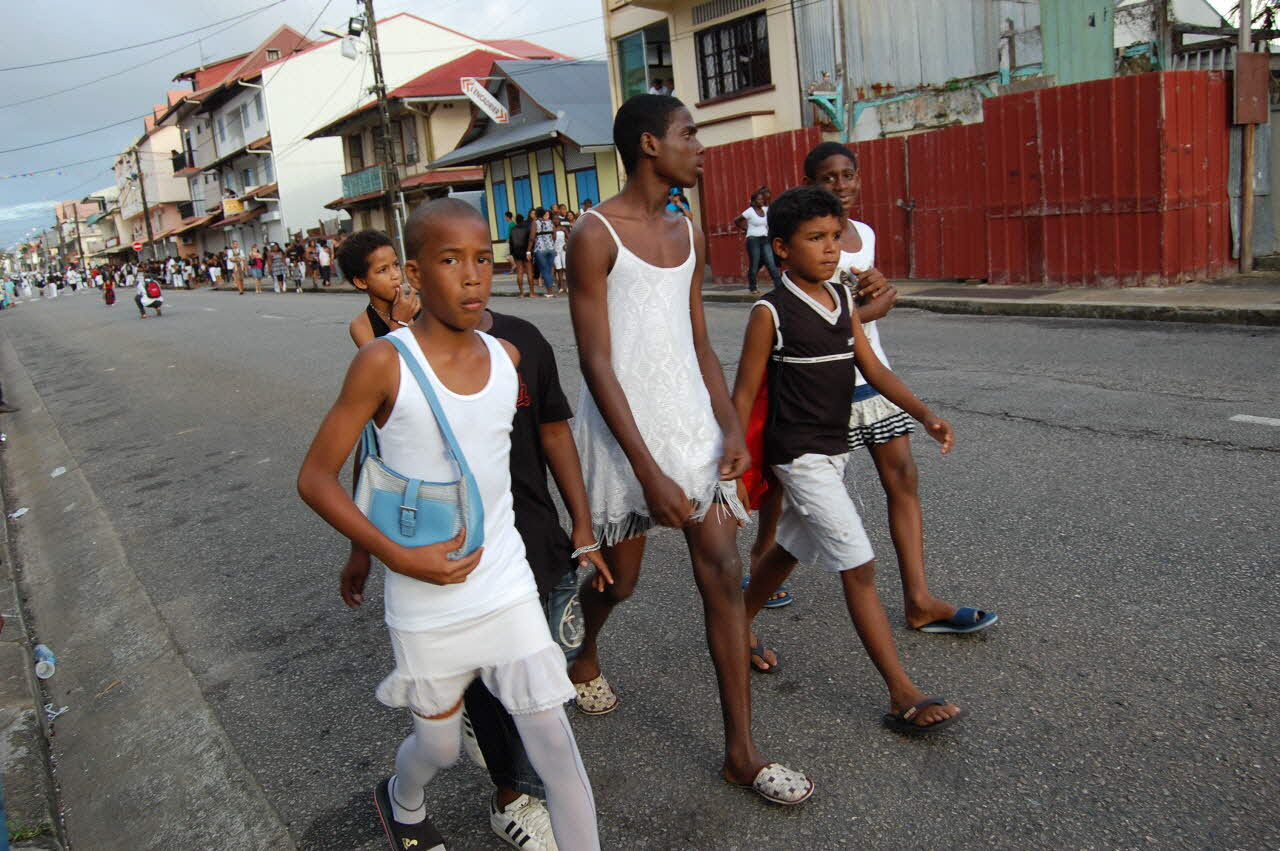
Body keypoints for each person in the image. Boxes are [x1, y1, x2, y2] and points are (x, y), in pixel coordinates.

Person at [297, 198, 600, 851]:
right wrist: (387, 555)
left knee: (554, 742)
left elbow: (530, 446)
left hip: (504, 582)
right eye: (449, 260)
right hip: (423, 593)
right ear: (413, 273)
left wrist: (579, 525)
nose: (471, 275)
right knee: (436, 745)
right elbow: (319, 476)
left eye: (483, 259)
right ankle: (401, 798)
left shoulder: (507, 358)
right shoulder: (383, 363)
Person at [565, 93, 812, 806]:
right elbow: (596, 362)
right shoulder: (593, 234)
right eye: (688, 134)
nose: (700, 147)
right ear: (649, 144)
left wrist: (730, 425)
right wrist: (646, 472)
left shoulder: (690, 231)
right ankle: (581, 651)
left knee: (723, 570)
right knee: (623, 581)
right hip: (625, 431)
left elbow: (698, 341)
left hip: (691, 422)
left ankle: (741, 752)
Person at [729, 186, 965, 736]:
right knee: (858, 565)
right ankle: (902, 694)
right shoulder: (769, 312)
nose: (831, 248)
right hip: (799, 457)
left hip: (833, 451)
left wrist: (924, 414)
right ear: (782, 248)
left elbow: (873, 369)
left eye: (835, 236)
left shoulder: (840, 297)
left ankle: (733, 625)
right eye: (816, 238)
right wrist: (738, 463)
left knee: (788, 548)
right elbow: (744, 392)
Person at [746, 142, 997, 642]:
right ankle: (757, 572)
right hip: (819, 381)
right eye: (828, 178)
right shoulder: (801, 239)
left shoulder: (864, 235)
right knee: (790, 492)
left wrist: (878, 290)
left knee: (902, 477)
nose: (841, 185)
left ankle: (919, 599)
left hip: (870, 372)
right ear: (809, 184)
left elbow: (852, 304)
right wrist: (866, 312)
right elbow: (815, 319)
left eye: (848, 175)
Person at [733, 190, 781, 294]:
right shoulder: (749, 212)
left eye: (762, 199)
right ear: (754, 201)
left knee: (771, 263)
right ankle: (753, 287)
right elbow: (736, 220)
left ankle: (779, 287)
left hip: (765, 239)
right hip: (753, 240)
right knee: (754, 264)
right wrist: (745, 229)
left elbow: (773, 210)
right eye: (759, 199)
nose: (761, 201)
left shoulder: (765, 210)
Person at [527, 208, 557, 298]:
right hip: (551, 248)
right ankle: (551, 291)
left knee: (544, 270)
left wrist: (528, 250)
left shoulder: (535, 223)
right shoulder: (550, 222)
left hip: (540, 248)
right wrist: (550, 242)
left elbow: (532, 237)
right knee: (549, 269)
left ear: (536, 214)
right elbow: (554, 235)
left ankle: (549, 292)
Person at [507, 213, 532, 298]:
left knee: (519, 272)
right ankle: (532, 292)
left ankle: (521, 293)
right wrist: (530, 251)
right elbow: (530, 240)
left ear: (516, 221)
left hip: (516, 252)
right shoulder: (527, 228)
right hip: (525, 251)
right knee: (529, 272)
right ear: (523, 220)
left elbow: (510, 242)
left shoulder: (513, 230)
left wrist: (512, 253)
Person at [552, 218, 568, 295]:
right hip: (555, 250)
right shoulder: (551, 229)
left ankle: (567, 286)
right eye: (554, 219)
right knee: (559, 268)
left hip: (563, 249)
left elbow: (569, 237)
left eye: (557, 219)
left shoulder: (563, 228)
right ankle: (561, 286)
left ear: (559, 220)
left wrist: (566, 244)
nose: (556, 221)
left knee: (565, 268)